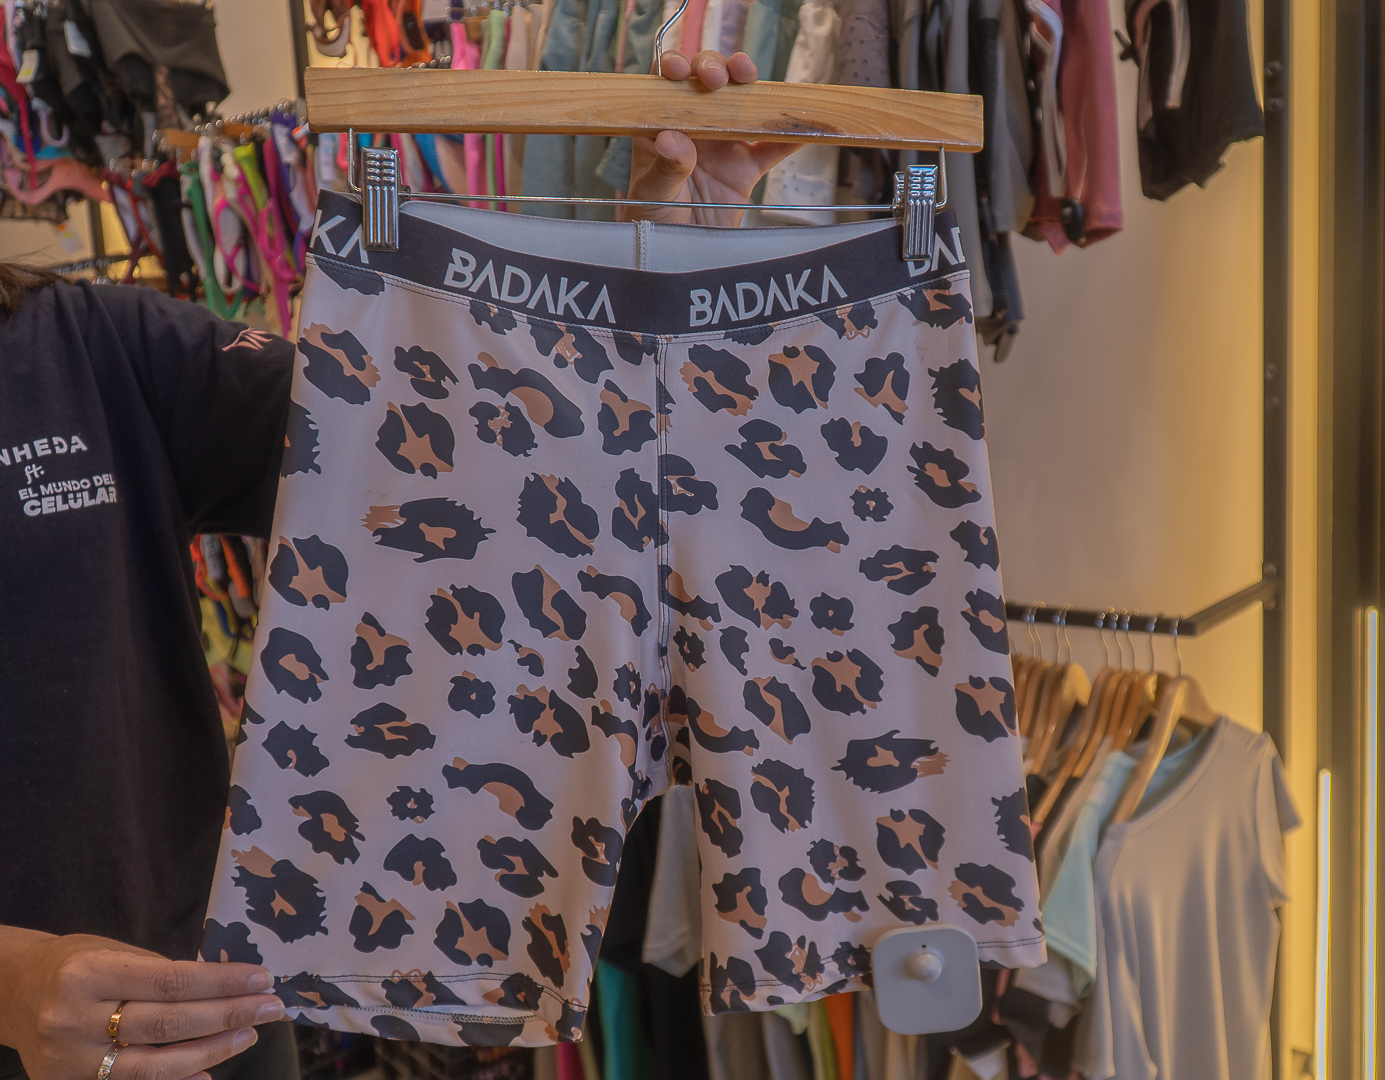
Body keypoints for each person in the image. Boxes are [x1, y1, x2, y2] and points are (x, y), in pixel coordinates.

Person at [0, 50, 793, 1080]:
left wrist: (655, 277)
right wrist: (11, 978)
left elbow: (459, 462)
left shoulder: (84, 347)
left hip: (202, 1020)